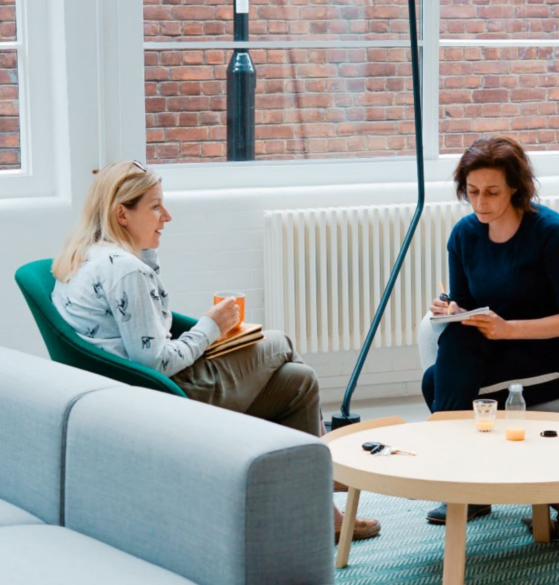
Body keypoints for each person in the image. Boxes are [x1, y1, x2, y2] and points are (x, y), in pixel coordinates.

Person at [51, 159, 379, 543]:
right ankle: (326, 469)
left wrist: (152, 262)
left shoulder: (91, 256)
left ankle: (320, 510)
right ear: (122, 213)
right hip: (167, 395)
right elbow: (154, 360)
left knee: (299, 381)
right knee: (279, 341)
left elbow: (149, 331)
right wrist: (211, 327)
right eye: (155, 206)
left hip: (133, 392)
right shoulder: (126, 271)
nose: (166, 216)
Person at [422, 136, 559, 529]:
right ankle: (469, 483)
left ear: (516, 187)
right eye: (471, 192)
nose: (480, 202)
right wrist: (451, 310)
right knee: (437, 373)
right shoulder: (465, 235)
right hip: (499, 351)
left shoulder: (550, 232)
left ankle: (461, 482)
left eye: (491, 192)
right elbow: (467, 305)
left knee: (441, 384)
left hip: (554, 354)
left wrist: (506, 329)